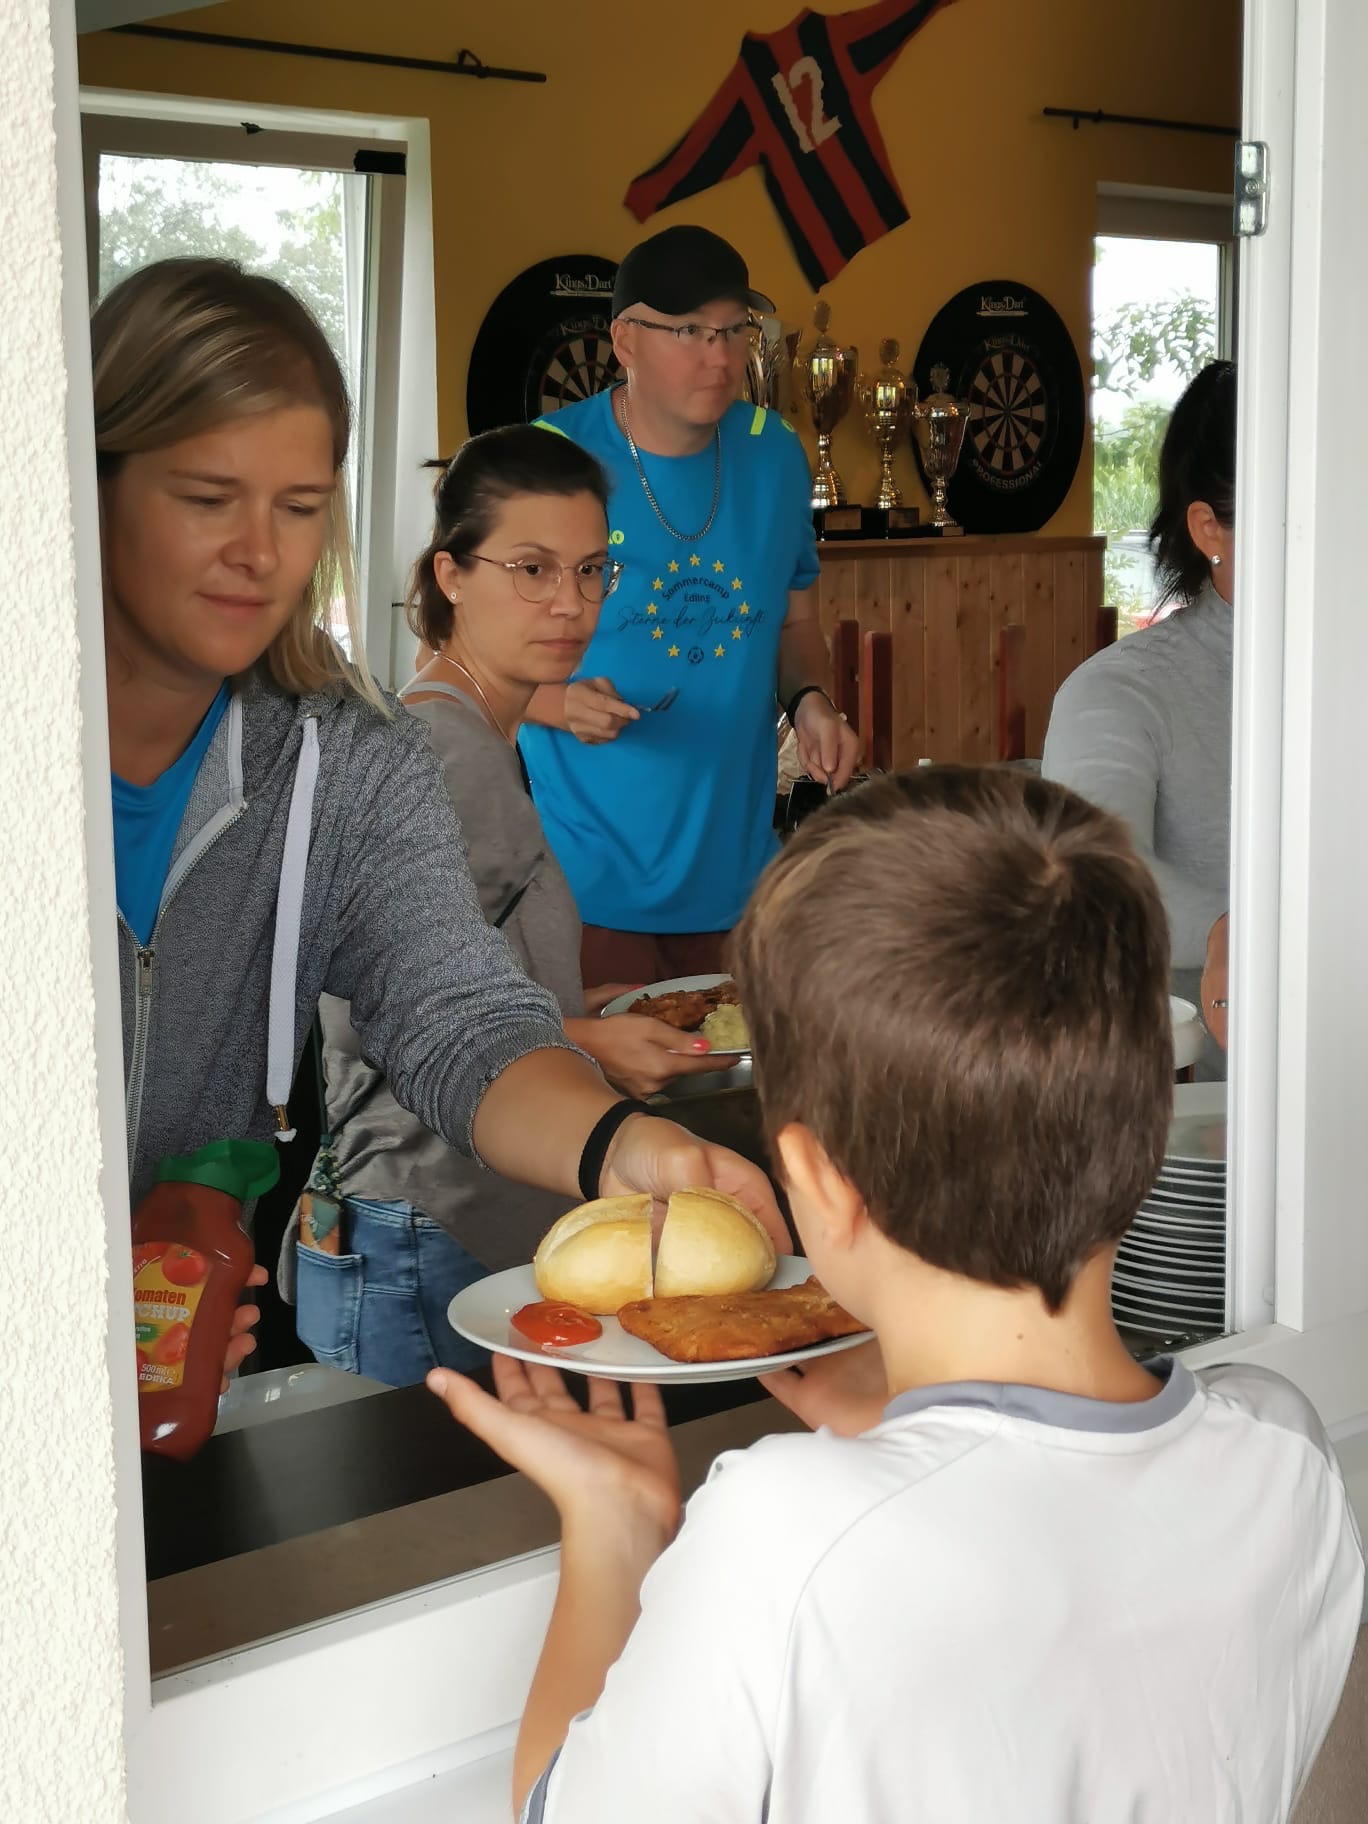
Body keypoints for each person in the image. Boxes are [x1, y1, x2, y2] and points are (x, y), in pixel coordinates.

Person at [429, 766, 1363, 1823]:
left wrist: (614, 1525)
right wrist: (908, 1438)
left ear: (817, 1181)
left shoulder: (784, 1531)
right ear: (1151, 1127)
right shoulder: (1285, 1448)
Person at [96, 258, 788, 1384]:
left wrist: (619, 1147)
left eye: (300, 508)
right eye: (207, 498)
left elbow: (454, 1018)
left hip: (181, 1316)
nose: (260, 554)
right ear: (96, 481)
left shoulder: (349, 755)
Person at [303, 426, 732, 1383]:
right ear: (451, 575)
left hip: (444, 1217)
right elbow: (370, 1015)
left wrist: (576, 1008)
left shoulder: (474, 732)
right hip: (424, 1220)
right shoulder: (443, 753)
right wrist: (583, 1039)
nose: (570, 603)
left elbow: (463, 968)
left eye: (591, 570)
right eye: (532, 569)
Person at [518, 223, 860, 988]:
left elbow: (795, 622)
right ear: (625, 341)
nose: (721, 356)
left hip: (742, 885)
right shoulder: (546, 459)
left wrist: (811, 701)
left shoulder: (776, 454)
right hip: (587, 893)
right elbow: (447, 661)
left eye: (735, 330)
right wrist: (555, 704)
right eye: (690, 332)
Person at [1043, 360, 1235, 1071]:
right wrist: (1228, 929)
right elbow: (1093, 868)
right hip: (1198, 1102)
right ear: (1208, 528)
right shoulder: (1119, 691)